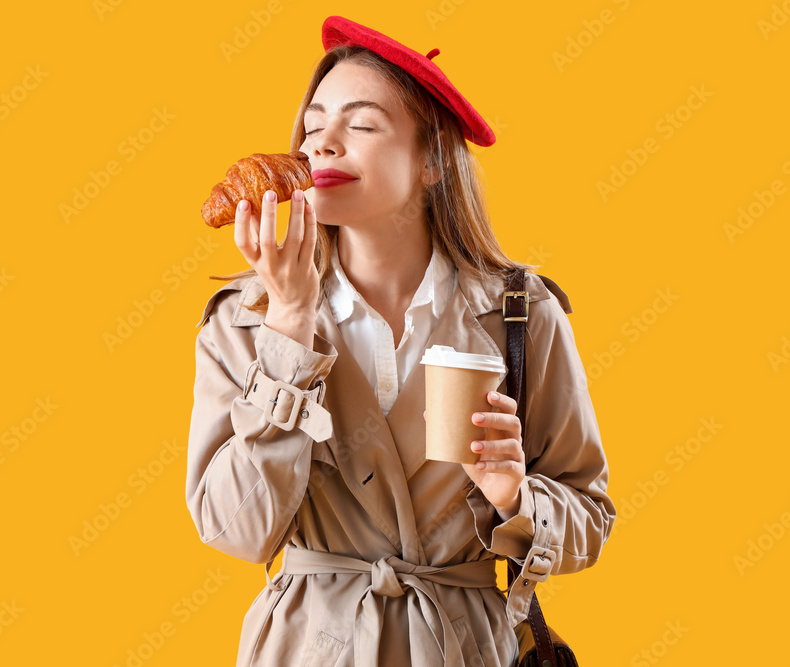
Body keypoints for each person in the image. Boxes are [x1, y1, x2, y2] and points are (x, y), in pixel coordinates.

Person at [185, 15, 616, 667]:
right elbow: (238, 530)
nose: (321, 145)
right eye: (313, 125)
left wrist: (513, 496)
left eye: (359, 124)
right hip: (306, 649)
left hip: (461, 646)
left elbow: (590, 512)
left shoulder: (521, 315)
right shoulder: (245, 320)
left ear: (433, 160)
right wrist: (290, 328)